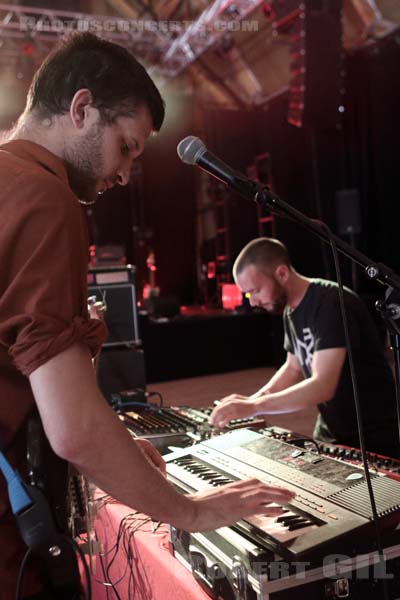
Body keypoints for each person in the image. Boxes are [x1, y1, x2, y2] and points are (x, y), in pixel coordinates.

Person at [0, 35, 294, 600]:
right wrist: (189, 511)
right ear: (81, 108)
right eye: (126, 147)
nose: (126, 175)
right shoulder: (44, 197)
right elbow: (75, 431)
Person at [210, 237, 399, 458]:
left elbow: (322, 386)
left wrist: (254, 407)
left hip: (371, 434)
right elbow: (293, 367)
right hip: (331, 431)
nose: (252, 302)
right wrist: (252, 399)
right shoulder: (291, 309)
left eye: (256, 290)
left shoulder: (331, 303)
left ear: (281, 273)